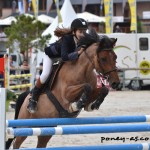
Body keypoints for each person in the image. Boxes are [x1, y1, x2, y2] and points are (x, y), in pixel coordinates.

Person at [27, 18, 88, 113]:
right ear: (74, 31)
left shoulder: (82, 40)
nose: (83, 34)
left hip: (63, 58)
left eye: (85, 31)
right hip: (51, 56)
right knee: (45, 74)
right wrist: (78, 53)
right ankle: (33, 98)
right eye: (81, 31)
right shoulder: (67, 38)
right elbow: (64, 56)